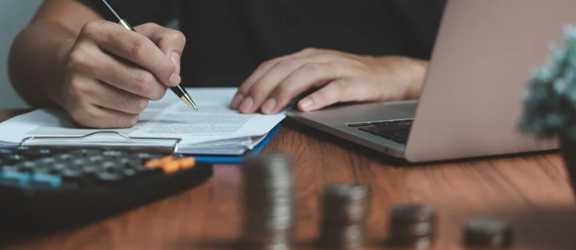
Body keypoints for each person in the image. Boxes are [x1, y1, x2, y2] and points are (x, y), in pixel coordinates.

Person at [8, 0, 446, 128]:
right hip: (201, 180)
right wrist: (65, 64)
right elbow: (38, 41)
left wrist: (412, 74)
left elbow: (515, 69)